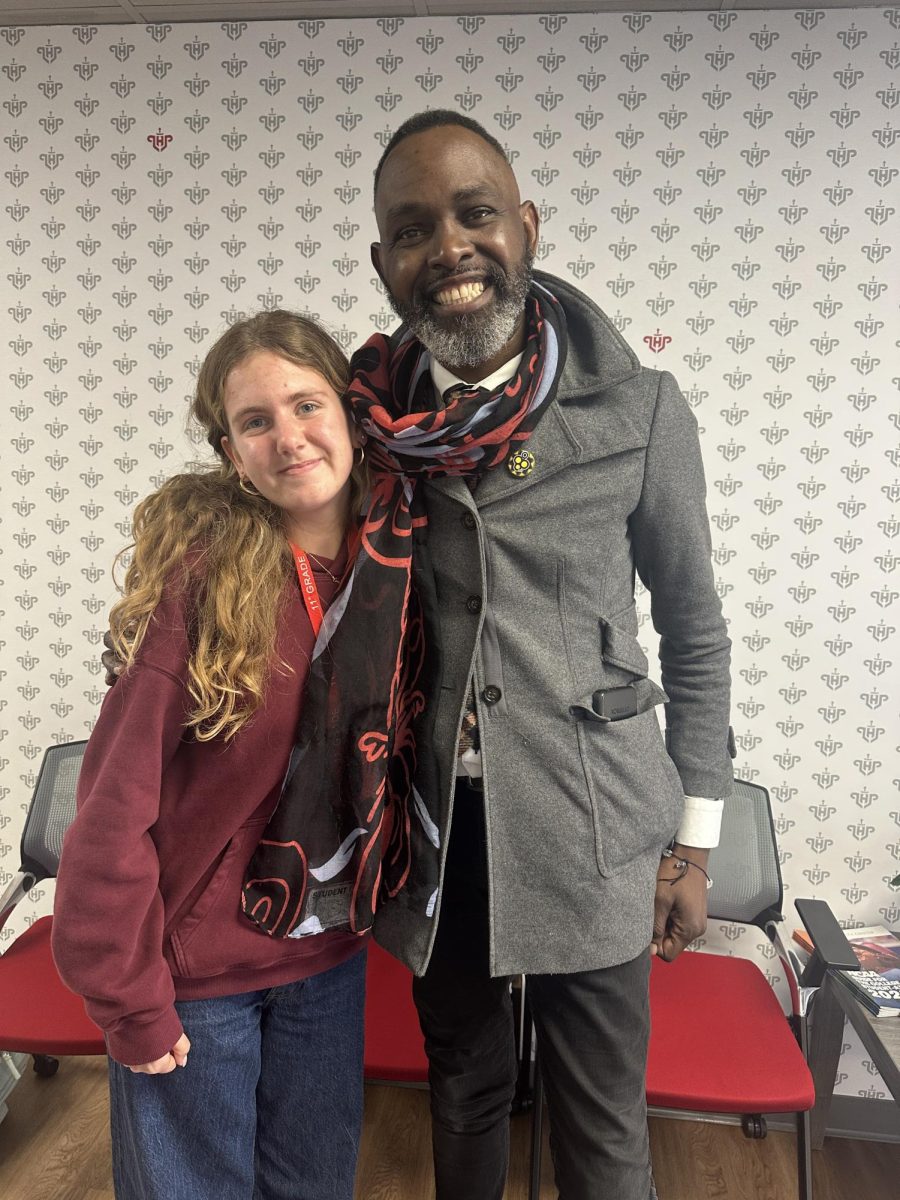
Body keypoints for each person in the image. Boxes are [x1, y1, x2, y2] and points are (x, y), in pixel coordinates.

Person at [344, 110, 735, 1200]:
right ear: (385, 265)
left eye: (476, 215)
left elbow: (695, 633)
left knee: (601, 1138)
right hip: (438, 827)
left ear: (524, 224)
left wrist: (692, 851)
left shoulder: (637, 408)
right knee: (462, 1095)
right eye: (415, 230)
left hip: (597, 824)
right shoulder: (365, 421)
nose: (452, 250)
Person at [52, 312, 381, 1200]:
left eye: (306, 404)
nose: (289, 437)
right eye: (256, 421)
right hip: (194, 983)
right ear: (231, 451)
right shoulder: (201, 582)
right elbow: (114, 804)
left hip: (328, 961)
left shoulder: (396, 568)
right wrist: (130, 997)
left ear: (350, 412)